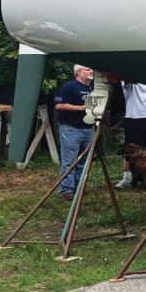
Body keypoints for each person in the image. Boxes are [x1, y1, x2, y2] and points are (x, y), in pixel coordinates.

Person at [53, 65, 95, 200]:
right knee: (70, 160)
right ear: (78, 72)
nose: (91, 71)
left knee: (84, 160)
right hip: (71, 128)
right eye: (87, 70)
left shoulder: (92, 88)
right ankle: (67, 189)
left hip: (89, 128)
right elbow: (59, 105)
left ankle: (79, 187)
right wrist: (81, 108)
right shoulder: (69, 86)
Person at [115, 81, 146, 189]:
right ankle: (127, 178)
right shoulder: (128, 81)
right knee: (130, 149)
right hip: (133, 117)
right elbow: (126, 80)